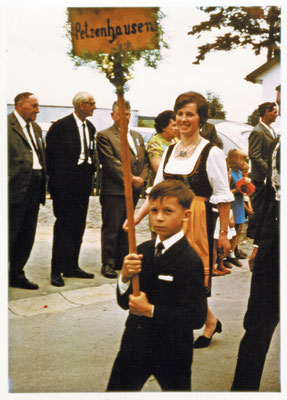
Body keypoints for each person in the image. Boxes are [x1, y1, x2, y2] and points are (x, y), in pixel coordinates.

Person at [125, 91, 233, 348]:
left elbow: (223, 196)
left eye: (190, 115)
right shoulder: (170, 150)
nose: (184, 119)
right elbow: (158, 189)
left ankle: (206, 322)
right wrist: (138, 217)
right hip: (170, 220)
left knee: (191, 275)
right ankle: (207, 321)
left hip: (198, 218)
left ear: (201, 119)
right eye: (180, 114)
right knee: (171, 272)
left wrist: (224, 234)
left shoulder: (212, 152)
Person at [107, 180, 207, 391]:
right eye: (154, 211)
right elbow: (126, 303)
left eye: (168, 211)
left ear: (186, 215)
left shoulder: (189, 260)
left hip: (172, 351)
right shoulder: (141, 250)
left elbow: (196, 317)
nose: (159, 217)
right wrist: (124, 278)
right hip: (135, 344)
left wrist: (150, 310)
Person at [231, 85, 280, 391]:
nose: (280, 109)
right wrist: (259, 243)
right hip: (275, 244)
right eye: (277, 103)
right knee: (258, 324)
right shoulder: (275, 140)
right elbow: (274, 198)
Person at [46, 92, 96, 287]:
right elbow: (51, 158)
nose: (94, 107)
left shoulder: (90, 127)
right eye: (91, 104)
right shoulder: (60, 127)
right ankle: (56, 269)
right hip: (64, 184)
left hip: (83, 182)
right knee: (64, 226)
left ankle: (71, 265)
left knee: (78, 225)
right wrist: (55, 187)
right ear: (81, 105)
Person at [96, 100, 149, 279]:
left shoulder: (137, 136)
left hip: (134, 190)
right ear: (113, 115)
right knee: (112, 227)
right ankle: (108, 262)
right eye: (121, 114)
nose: (125, 117)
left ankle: (121, 259)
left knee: (127, 226)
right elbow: (111, 162)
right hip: (114, 189)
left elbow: (144, 160)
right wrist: (130, 178)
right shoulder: (105, 136)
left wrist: (142, 177)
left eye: (127, 114)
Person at [8, 92, 46, 290]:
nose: (37, 110)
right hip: (15, 187)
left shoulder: (37, 128)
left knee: (26, 233)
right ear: (20, 104)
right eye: (34, 106)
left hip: (34, 186)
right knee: (9, 232)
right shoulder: (6, 126)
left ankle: (16, 273)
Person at [247, 101, 278, 238]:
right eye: (275, 112)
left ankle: (258, 233)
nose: (277, 115)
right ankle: (252, 233)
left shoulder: (271, 130)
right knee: (257, 206)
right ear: (267, 112)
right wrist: (268, 170)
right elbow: (254, 155)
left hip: (269, 177)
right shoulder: (257, 131)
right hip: (260, 177)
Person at [146, 110, 178, 239]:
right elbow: (158, 168)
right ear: (164, 127)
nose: (177, 128)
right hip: (161, 189)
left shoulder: (175, 140)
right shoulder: (155, 142)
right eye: (173, 125)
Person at [225, 149, 249, 267]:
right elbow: (226, 191)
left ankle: (233, 251)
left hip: (239, 202)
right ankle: (226, 255)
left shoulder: (239, 172)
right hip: (233, 203)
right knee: (232, 229)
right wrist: (237, 189)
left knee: (239, 228)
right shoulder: (229, 173)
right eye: (242, 159)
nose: (244, 162)